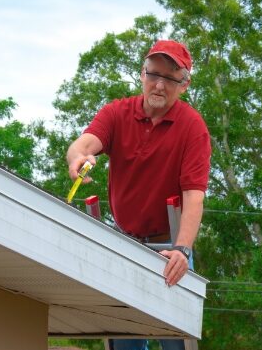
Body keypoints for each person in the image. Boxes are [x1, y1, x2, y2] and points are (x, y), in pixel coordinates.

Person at [66, 40, 211, 350]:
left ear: (183, 84)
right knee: (123, 340)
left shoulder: (192, 127)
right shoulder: (117, 113)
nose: (159, 84)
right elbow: (84, 144)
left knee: (176, 340)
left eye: (170, 78)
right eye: (153, 74)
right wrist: (78, 157)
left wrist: (182, 251)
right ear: (142, 75)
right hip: (124, 242)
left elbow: (194, 195)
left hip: (169, 248)